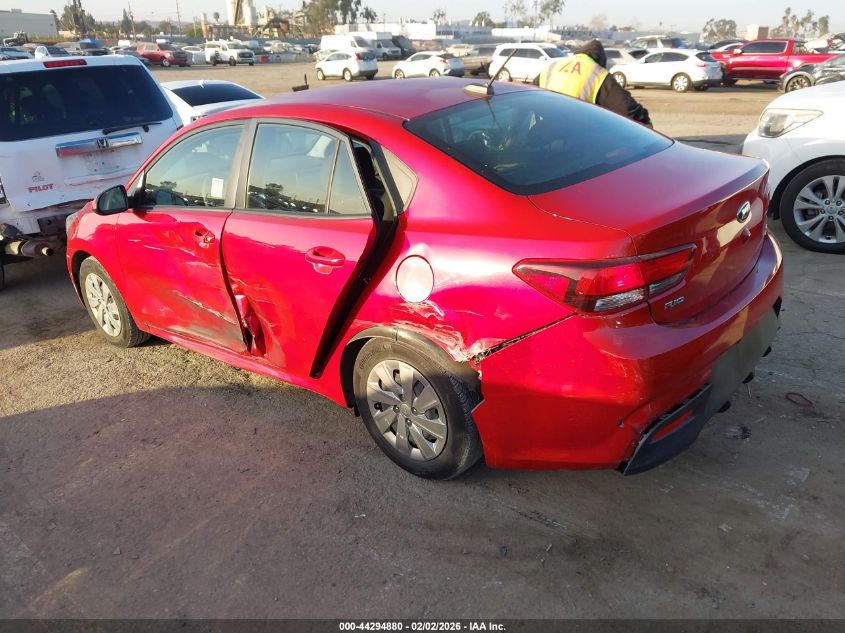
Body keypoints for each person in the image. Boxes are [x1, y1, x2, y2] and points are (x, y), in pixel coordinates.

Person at [536, 40, 652, 127]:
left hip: (546, 130)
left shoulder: (553, 67)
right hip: (576, 135)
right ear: (600, 60)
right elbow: (628, 110)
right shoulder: (597, 74)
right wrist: (646, 123)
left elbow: (525, 97)